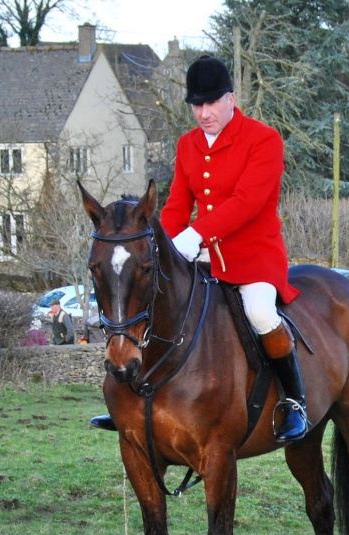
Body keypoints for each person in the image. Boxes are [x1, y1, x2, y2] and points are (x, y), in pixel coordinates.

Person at [91, 55, 309, 443]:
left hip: (253, 257)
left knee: (259, 312)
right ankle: (131, 402)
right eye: (197, 105)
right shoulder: (187, 144)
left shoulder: (263, 139)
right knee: (151, 303)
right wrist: (164, 246)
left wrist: (195, 237)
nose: (204, 113)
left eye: (212, 103)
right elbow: (176, 204)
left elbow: (247, 203)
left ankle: (294, 402)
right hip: (201, 255)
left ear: (231, 98)